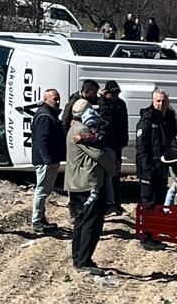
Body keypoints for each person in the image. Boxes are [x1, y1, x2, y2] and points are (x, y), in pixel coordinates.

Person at [66, 108, 116, 274]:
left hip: (77, 182)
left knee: (81, 222)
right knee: (90, 223)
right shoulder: (82, 131)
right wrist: (113, 167)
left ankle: (79, 258)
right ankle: (83, 261)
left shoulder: (74, 128)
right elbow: (99, 155)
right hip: (88, 184)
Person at [135, 89, 177, 211]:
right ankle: (146, 223)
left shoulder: (170, 118)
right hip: (148, 165)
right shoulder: (146, 119)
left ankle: (157, 221)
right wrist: (147, 169)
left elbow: (173, 140)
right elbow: (141, 147)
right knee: (148, 201)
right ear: (153, 101)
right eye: (158, 101)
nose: (161, 104)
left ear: (168, 102)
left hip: (163, 165)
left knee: (160, 200)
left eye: (164, 101)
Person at [30, 87, 65, 233]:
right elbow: (42, 140)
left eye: (58, 99)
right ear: (46, 99)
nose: (57, 101)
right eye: (54, 99)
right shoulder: (45, 116)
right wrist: (48, 160)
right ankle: (37, 222)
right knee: (42, 191)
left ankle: (41, 219)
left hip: (49, 159)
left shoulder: (49, 114)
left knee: (44, 190)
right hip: (45, 161)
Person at [98, 79, 130, 214]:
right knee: (103, 175)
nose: (115, 96)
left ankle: (116, 203)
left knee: (116, 174)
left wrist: (124, 141)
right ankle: (105, 203)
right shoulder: (101, 103)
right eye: (113, 93)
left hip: (116, 144)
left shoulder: (121, 104)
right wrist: (103, 98)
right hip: (104, 144)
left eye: (117, 93)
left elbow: (124, 123)